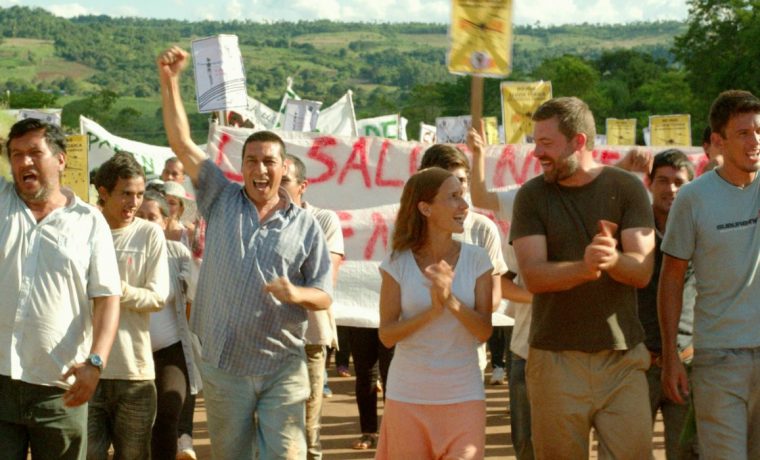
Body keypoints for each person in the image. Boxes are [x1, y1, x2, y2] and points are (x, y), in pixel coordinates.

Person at [158, 46, 333, 459]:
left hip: (283, 368)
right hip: (223, 366)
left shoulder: (306, 225)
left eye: (269, 162)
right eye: (251, 160)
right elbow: (181, 143)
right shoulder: (220, 196)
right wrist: (170, 81)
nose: (260, 169)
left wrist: (297, 295)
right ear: (241, 166)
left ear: (283, 167)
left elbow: (324, 295)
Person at [510, 97, 655, 459]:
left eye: (546, 143)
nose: (536, 153)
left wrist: (612, 259)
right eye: (534, 142)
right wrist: (584, 268)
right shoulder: (531, 196)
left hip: (622, 361)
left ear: (578, 142)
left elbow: (642, 270)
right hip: (554, 361)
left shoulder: (627, 188)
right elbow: (532, 276)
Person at [0, 118, 121, 459]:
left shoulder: (88, 221)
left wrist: (95, 363)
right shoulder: (2, 202)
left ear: (61, 159)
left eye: (34, 153)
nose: (24, 162)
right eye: (16, 154)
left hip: (59, 387)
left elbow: (108, 298)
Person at [660, 89, 760, 458]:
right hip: (718, 357)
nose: (755, 141)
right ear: (717, 141)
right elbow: (671, 279)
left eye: (759, 131)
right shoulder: (693, 197)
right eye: (744, 133)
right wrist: (671, 356)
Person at [376, 167, 493, 459]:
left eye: (462, 196)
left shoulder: (478, 259)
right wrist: (432, 311)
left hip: (464, 396)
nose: (464, 206)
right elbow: (387, 335)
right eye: (453, 197)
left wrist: (449, 302)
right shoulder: (396, 262)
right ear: (425, 208)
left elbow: (483, 331)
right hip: (407, 397)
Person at [88, 151, 170, 460]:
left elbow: (157, 297)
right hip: (86, 371)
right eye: (126, 194)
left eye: (138, 194)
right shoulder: (83, 229)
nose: (133, 203)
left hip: (134, 373)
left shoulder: (149, 234)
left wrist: (113, 290)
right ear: (104, 192)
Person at [619, 149, 699, 459]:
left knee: (686, 452)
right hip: (638, 363)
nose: (671, 189)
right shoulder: (630, 229)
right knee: (625, 451)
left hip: (687, 361)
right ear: (649, 183)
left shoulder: (701, 227)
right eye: (663, 181)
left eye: (679, 182)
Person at [467, 125, 534, 459]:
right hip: (524, 346)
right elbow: (479, 197)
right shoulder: (525, 196)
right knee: (525, 443)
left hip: (572, 353)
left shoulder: (594, 199)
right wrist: (479, 155)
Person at [418, 143, 507, 381]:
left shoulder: (483, 229)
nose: (456, 187)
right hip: (416, 361)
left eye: (461, 180)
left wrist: (454, 304)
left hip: (467, 360)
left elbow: (494, 297)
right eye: (446, 180)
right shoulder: (407, 232)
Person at [281, 154, 345, 460]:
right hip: (261, 338)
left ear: (303, 186)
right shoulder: (253, 219)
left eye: (284, 181)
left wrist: (286, 287)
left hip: (309, 338)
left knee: (307, 429)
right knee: (270, 428)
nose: (274, 186)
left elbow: (323, 283)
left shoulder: (323, 220)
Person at [137, 191, 202, 460]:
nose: (145, 222)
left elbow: (197, 295)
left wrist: (195, 268)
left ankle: (178, 442)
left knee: (167, 412)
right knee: (138, 423)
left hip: (171, 350)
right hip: (130, 354)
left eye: (152, 217)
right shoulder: (115, 250)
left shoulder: (177, 253)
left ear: (165, 221)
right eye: (140, 216)